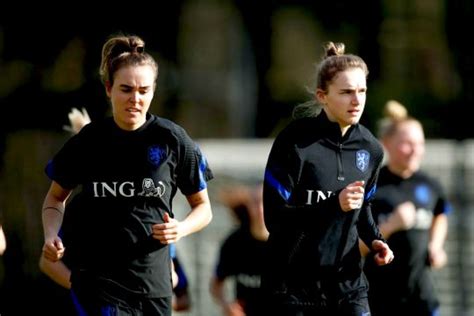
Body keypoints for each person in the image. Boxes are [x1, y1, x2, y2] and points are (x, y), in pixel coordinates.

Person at [41, 33, 213, 316]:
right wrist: (50, 235)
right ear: (108, 89)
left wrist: (180, 228)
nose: (135, 99)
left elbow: (203, 208)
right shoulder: (88, 141)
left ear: (154, 91)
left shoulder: (173, 139)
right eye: (126, 89)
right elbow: (54, 199)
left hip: (154, 286)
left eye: (144, 91)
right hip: (99, 284)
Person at [261, 41, 394, 315]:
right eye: (346, 92)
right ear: (322, 95)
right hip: (293, 288)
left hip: (348, 285)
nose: (357, 101)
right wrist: (334, 205)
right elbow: (274, 219)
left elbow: (363, 206)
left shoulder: (371, 148)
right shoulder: (295, 142)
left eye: (362, 91)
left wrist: (375, 240)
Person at [362, 100, 451, 316]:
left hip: (422, 299)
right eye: (407, 143)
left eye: (419, 144)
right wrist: (391, 225)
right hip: (378, 301)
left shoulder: (430, 185)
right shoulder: (371, 186)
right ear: (386, 143)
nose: (415, 151)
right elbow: (353, 248)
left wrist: (436, 246)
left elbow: (441, 214)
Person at [210, 184, 268, 316]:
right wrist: (227, 306)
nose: (260, 209)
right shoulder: (235, 243)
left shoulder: (290, 243)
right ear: (248, 206)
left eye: (265, 202)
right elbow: (216, 284)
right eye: (255, 203)